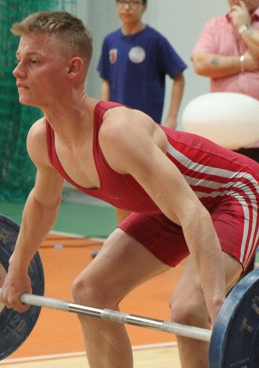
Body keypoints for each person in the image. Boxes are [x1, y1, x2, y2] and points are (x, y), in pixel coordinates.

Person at [3, 11, 259, 368]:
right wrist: (18, 264)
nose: (17, 71)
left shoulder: (118, 131)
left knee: (190, 311)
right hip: (169, 207)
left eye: (33, 60)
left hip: (231, 195)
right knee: (90, 292)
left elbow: (193, 209)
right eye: (19, 60)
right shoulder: (43, 139)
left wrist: (217, 296)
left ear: (72, 69)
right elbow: (44, 202)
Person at [192, 0, 259, 266]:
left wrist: (244, 28)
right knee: (235, 220)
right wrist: (244, 62)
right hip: (228, 146)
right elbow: (201, 62)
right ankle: (239, 293)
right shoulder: (214, 26)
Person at [97, 0, 187, 224]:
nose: (127, 8)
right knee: (119, 186)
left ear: (144, 7)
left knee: (147, 187)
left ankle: (146, 245)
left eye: (134, 3)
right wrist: (101, 114)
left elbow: (178, 76)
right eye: (122, 2)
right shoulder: (110, 41)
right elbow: (106, 80)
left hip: (146, 127)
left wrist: (172, 116)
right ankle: (120, 241)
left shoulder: (155, 41)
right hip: (116, 127)